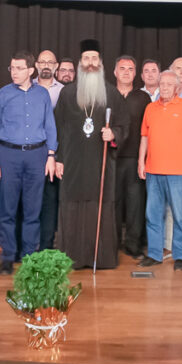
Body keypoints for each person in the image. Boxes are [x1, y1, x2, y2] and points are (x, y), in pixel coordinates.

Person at [53, 39, 129, 269]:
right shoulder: (67, 93)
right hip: (72, 162)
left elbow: (124, 125)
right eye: (86, 58)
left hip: (100, 162)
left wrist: (113, 133)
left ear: (101, 62)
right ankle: (72, 257)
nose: (90, 63)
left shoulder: (112, 94)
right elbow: (58, 128)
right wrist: (58, 159)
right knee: (72, 206)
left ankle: (101, 258)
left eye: (94, 58)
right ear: (80, 63)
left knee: (100, 205)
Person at [0, 51, 58, 274]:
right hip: (8, 154)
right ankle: (8, 256)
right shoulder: (3, 95)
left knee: (32, 209)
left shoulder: (42, 94)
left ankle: (29, 255)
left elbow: (49, 126)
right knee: (8, 209)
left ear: (30, 70)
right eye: (12, 68)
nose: (14, 72)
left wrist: (51, 155)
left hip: (37, 155)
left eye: (19, 68)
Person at [138, 71, 182, 271]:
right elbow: (144, 137)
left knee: (180, 215)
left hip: (179, 171)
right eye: (162, 84)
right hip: (153, 170)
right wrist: (141, 162)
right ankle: (155, 254)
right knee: (153, 214)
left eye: (169, 84)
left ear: (176, 88)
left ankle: (180, 255)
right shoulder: (150, 108)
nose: (164, 87)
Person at [113, 55, 152, 259]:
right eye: (122, 68)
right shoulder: (107, 95)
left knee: (135, 203)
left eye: (130, 69)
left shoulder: (143, 98)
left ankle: (133, 245)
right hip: (111, 158)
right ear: (115, 72)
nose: (126, 72)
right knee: (113, 202)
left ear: (135, 73)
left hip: (135, 159)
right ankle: (111, 244)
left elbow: (148, 130)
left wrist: (144, 159)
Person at [35, 48, 64, 250]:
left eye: (50, 62)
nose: (46, 65)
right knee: (30, 200)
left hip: (54, 153)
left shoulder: (64, 91)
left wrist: (57, 156)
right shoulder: (27, 87)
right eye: (42, 62)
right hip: (31, 152)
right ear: (36, 65)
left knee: (50, 200)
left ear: (56, 66)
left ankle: (46, 244)